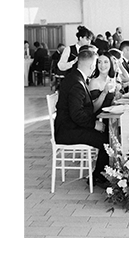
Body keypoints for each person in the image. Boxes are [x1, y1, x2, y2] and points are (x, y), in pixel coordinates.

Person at [54, 48, 109, 188]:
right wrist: (94, 125)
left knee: (108, 134)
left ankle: (100, 174)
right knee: (107, 141)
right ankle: (98, 177)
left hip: (71, 126)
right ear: (91, 66)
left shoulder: (76, 78)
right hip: (67, 131)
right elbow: (77, 114)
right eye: (96, 64)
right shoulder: (77, 83)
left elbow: (84, 109)